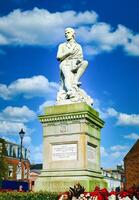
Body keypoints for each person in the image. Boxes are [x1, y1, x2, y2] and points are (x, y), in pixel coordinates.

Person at [57, 27, 88, 98]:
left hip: (75, 64)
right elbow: (58, 57)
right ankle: (70, 91)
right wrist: (68, 52)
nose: (66, 34)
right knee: (67, 77)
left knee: (85, 62)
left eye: (68, 33)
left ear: (73, 34)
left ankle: (75, 80)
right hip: (65, 63)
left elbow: (81, 57)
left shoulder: (78, 46)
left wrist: (78, 61)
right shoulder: (62, 45)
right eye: (65, 33)